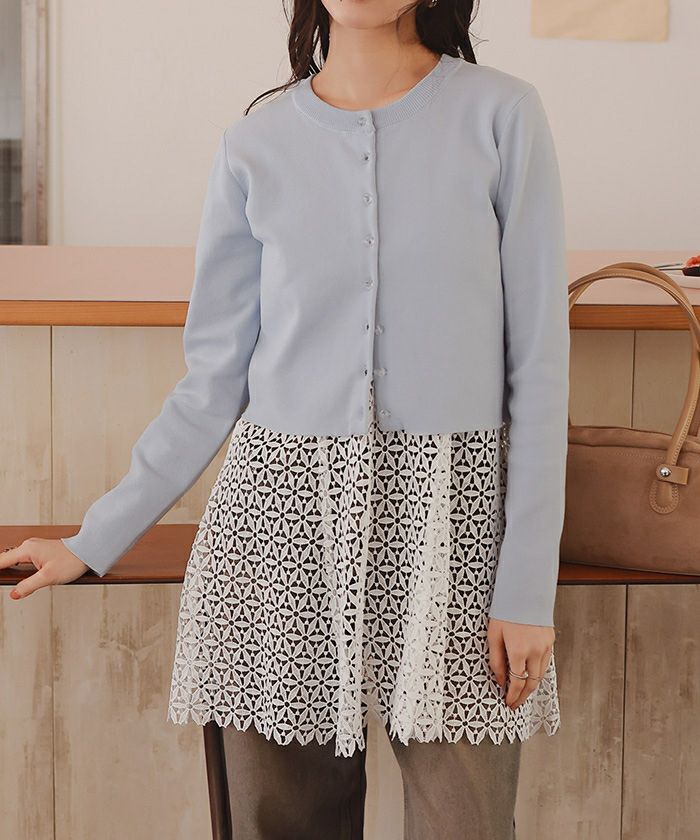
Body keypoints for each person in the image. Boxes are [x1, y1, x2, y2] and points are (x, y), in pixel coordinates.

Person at [3, 1, 570, 837]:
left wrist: (525, 590)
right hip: (279, 526)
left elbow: (541, 368)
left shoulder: (502, 114)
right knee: (284, 822)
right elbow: (212, 381)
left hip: (453, 527)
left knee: (468, 822)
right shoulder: (254, 145)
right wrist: (94, 537)